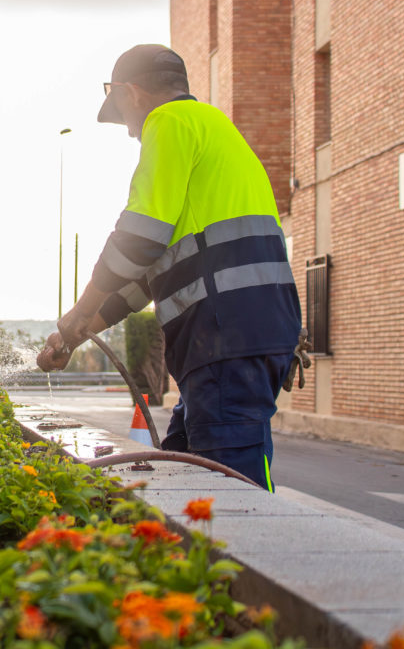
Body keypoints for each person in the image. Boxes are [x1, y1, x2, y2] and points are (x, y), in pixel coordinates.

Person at [36, 44, 301, 491]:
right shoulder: (212, 126)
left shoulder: (168, 123)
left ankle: (241, 559)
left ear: (130, 93)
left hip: (224, 335)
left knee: (229, 489)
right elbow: (147, 271)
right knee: (179, 466)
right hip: (243, 333)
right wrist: (79, 330)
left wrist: (80, 311)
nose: (130, 134)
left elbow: (137, 240)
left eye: (124, 116)